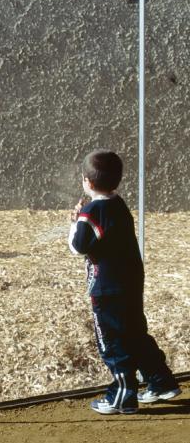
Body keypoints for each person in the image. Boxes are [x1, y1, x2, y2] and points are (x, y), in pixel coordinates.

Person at [68, 149, 181, 415]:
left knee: (112, 341)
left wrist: (76, 222)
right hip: (130, 283)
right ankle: (160, 381)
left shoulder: (92, 211)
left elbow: (79, 246)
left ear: (87, 182)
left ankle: (122, 395)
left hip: (107, 290)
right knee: (134, 334)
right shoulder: (117, 204)